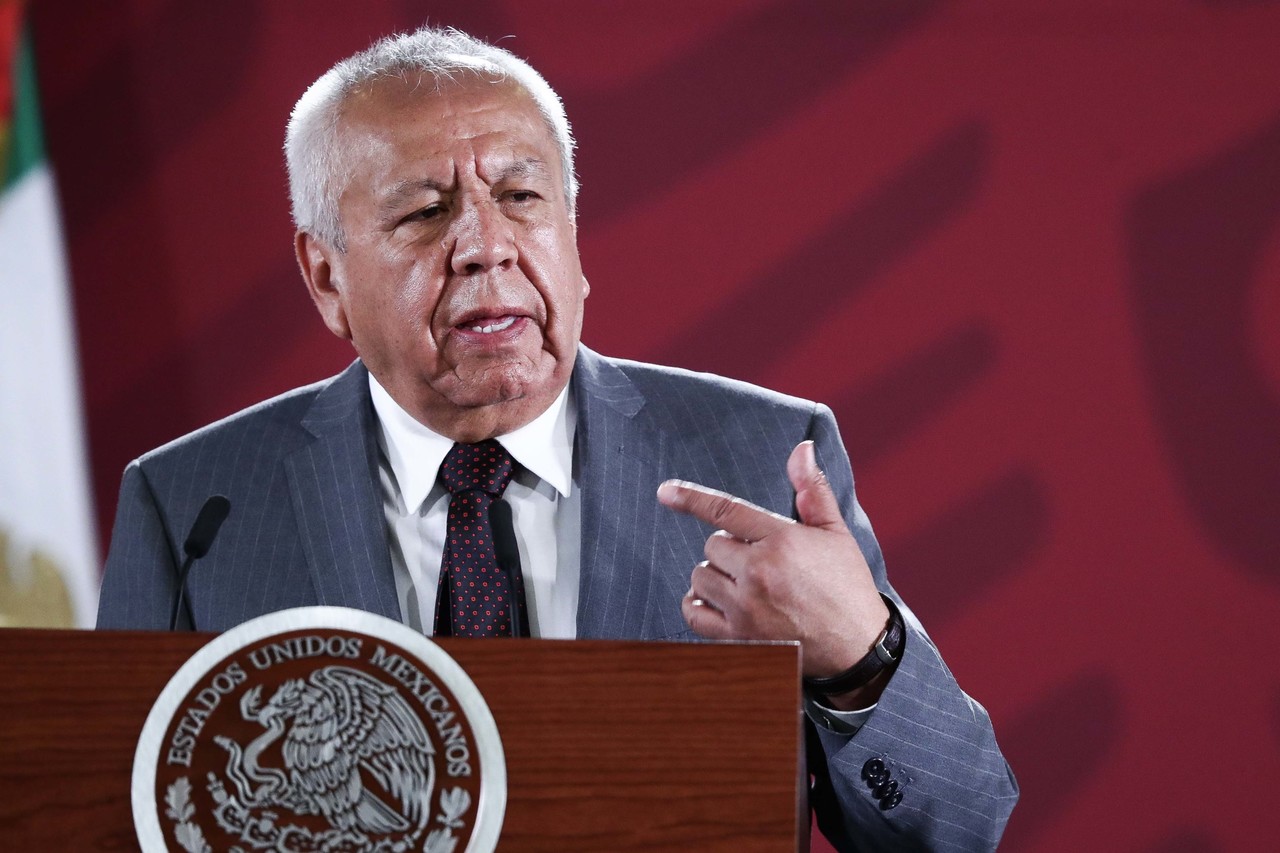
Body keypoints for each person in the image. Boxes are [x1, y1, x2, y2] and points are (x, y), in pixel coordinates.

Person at [97, 27, 1017, 849]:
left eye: (520, 195)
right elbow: (105, 816)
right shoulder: (195, 506)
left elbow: (961, 828)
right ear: (326, 276)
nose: (485, 244)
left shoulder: (763, 456)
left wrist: (862, 659)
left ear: (572, 235)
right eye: (425, 211)